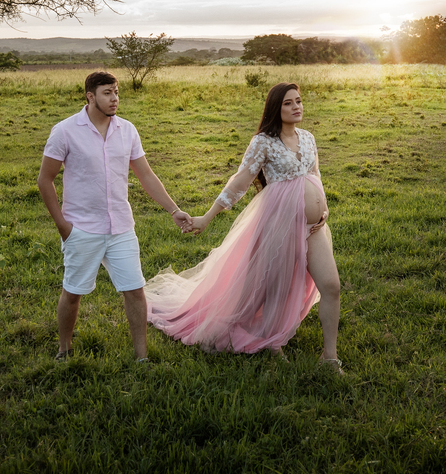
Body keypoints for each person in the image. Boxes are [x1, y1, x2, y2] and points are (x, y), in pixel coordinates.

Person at [145, 82, 342, 368]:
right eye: (288, 103)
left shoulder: (308, 138)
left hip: (314, 228)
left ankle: (330, 357)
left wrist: (323, 210)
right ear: (276, 107)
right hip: (279, 222)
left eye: (298, 101)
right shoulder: (263, 141)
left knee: (332, 285)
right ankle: (274, 343)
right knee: (277, 286)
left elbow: (314, 173)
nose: (296, 106)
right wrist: (207, 216)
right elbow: (240, 181)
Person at [38, 71, 193, 361]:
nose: (115, 99)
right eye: (107, 93)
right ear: (90, 97)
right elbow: (45, 179)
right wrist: (63, 226)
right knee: (73, 292)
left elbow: (145, 174)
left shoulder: (127, 130)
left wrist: (174, 209)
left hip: (121, 226)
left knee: (135, 290)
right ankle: (64, 350)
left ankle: (141, 357)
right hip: (82, 228)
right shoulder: (65, 131)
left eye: (117, 92)